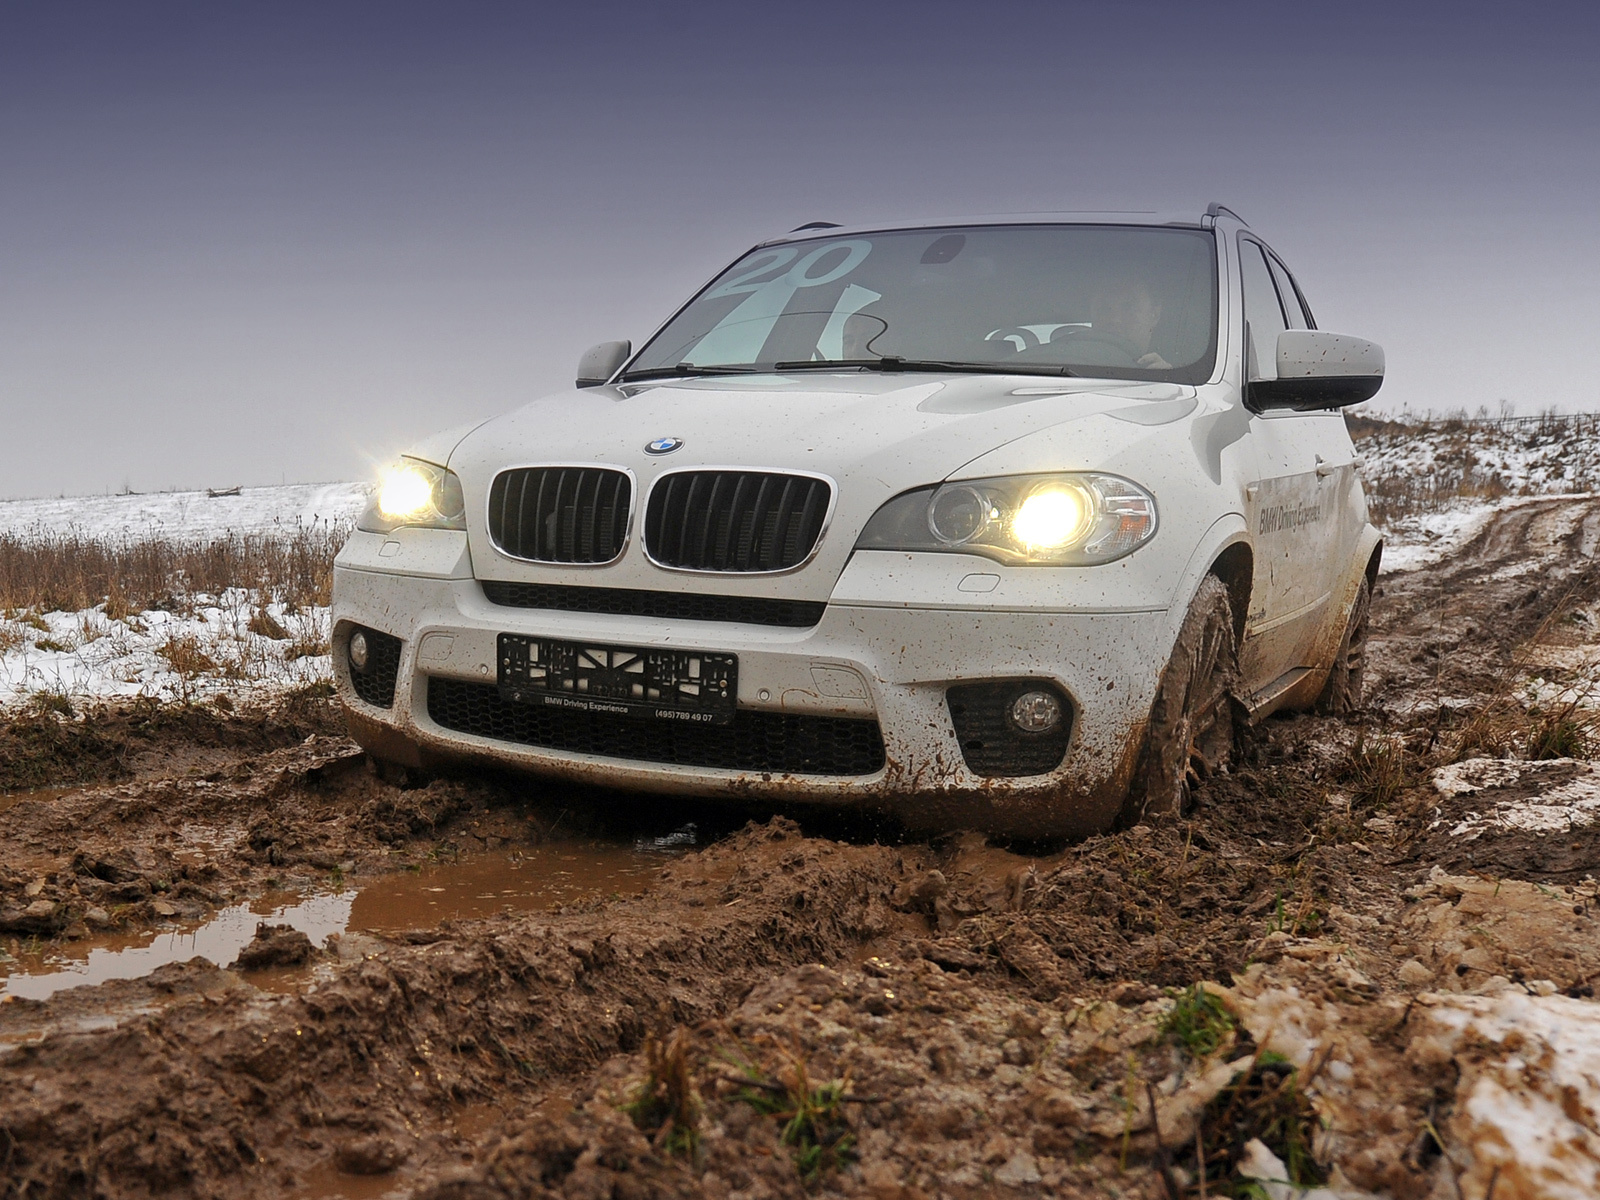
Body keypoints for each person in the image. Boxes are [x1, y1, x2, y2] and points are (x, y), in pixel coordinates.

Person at [1053, 278, 1172, 369]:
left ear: (1155, 314)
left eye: (1128, 307)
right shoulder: (1066, 365)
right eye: (1104, 308)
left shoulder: (1180, 380)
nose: (1115, 319)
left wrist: (1165, 380)